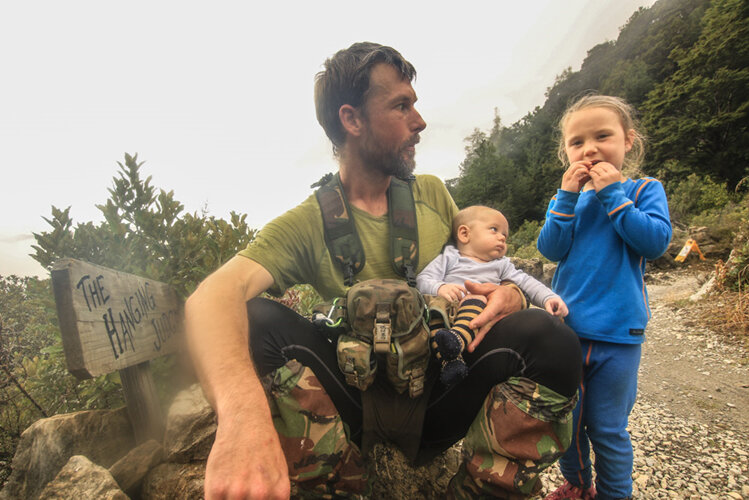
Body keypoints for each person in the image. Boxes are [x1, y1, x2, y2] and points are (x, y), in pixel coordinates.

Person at [185, 42, 582, 500]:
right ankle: (332, 480)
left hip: (441, 396)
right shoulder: (307, 221)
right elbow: (210, 298)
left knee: (551, 340)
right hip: (352, 404)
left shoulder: (432, 193)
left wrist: (511, 291)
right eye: (401, 105)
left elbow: (482, 264)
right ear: (351, 120)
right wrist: (242, 418)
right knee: (256, 320)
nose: (420, 120)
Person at [537, 94, 672, 500]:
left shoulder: (645, 188)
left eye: (602, 136)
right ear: (567, 152)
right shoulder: (568, 199)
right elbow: (550, 249)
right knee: (567, 420)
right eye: (577, 142)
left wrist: (613, 195)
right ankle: (578, 485)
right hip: (568, 333)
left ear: (628, 141)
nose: (590, 148)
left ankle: (616, 494)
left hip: (619, 334)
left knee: (608, 428)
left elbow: (654, 242)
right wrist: (565, 197)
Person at [417, 205, 568, 385]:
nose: (502, 237)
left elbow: (526, 281)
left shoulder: (501, 264)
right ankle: (450, 362)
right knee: (434, 312)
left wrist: (548, 298)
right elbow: (423, 279)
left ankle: (456, 341)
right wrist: (440, 287)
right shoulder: (449, 257)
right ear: (465, 234)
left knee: (477, 299)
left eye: (505, 235)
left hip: (479, 316)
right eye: (494, 230)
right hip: (447, 312)